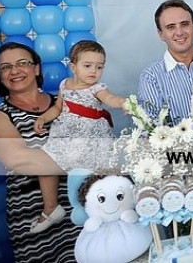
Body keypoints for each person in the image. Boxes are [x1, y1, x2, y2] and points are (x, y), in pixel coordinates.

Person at [0, 42, 80, 261]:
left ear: (36, 68)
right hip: (34, 213)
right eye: (6, 67)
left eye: (22, 63)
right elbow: (22, 161)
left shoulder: (64, 104)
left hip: (81, 205)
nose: (14, 71)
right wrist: (82, 158)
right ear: (0, 76)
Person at [137, 0, 193, 220]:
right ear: (161, 34)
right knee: (188, 237)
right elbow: (153, 133)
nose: (179, 32)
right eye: (170, 27)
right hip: (178, 175)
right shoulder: (151, 76)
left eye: (185, 24)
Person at [30, 40, 127, 233]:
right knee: (45, 163)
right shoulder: (64, 85)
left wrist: (123, 102)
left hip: (91, 140)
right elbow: (58, 108)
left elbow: (110, 99)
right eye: (88, 66)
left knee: (93, 177)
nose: (94, 71)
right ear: (73, 67)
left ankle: (101, 214)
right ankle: (53, 207)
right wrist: (43, 118)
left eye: (99, 67)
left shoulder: (97, 88)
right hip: (66, 138)